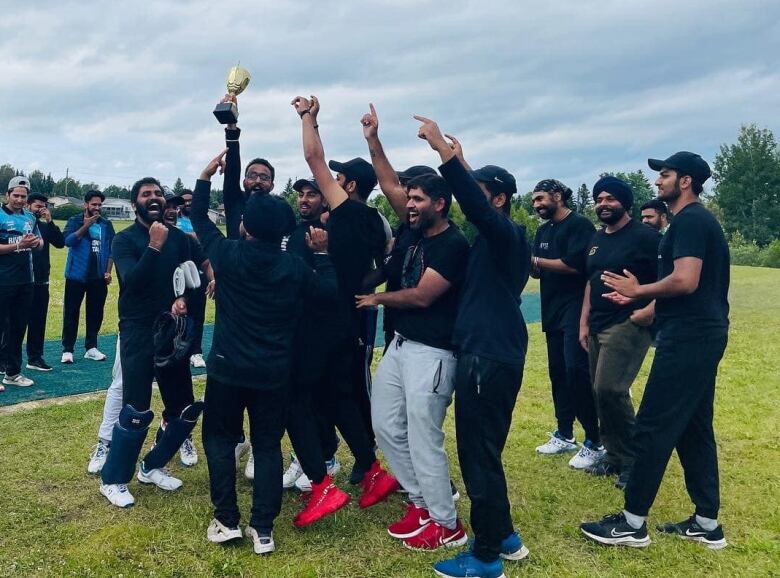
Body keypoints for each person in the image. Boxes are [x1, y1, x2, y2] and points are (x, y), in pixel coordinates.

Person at [193, 151, 343, 553]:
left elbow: (198, 219)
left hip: (227, 368)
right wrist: (325, 256)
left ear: (246, 227)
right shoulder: (293, 266)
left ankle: (227, 520)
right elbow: (328, 294)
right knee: (266, 445)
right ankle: (263, 529)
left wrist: (205, 178)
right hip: (273, 371)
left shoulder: (227, 255)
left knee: (221, 441)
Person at [581, 152, 730, 550]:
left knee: (653, 425)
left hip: (690, 338)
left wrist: (639, 292)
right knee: (694, 429)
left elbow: (686, 281)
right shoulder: (686, 222)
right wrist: (652, 308)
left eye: (664, 174)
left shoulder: (692, 221)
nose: (658, 180)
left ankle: (632, 523)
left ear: (685, 181)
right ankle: (706, 522)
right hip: (695, 333)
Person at [412, 116, 532, 578]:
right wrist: (458, 158)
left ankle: (485, 558)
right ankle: (504, 535)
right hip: (491, 353)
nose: (468, 203)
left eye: (478, 190)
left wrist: (443, 151)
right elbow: (476, 206)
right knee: (487, 450)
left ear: (497, 198)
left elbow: (475, 206)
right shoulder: (497, 237)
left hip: (486, 357)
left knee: (478, 456)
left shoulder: (503, 233)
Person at [292, 93, 398, 508]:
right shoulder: (375, 221)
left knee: (300, 395)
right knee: (339, 394)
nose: (327, 181)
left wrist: (308, 118)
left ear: (349, 186)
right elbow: (385, 263)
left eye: (337, 179)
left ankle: (318, 476)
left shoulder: (349, 214)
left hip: (325, 318)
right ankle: (371, 470)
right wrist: (364, 289)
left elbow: (314, 160)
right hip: (351, 317)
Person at [99, 177, 205, 508]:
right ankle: (113, 479)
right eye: (147, 194)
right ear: (136, 204)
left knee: (183, 408)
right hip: (138, 329)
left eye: (158, 193)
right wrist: (153, 246)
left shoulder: (179, 238)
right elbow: (132, 282)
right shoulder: (126, 239)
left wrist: (183, 300)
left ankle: (152, 465)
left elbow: (188, 278)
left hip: (171, 329)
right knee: (136, 408)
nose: (154, 197)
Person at [578, 177, 661, 490]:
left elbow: (668, 277)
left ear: (625, 202)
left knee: (611, 389)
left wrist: (650, 310)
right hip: (597, 323)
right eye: (599, 199)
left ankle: (635, 462)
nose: (603, 204)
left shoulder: (645, 237)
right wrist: (583, 322)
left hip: (629, 321)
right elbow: (591, 281)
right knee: (600, 393)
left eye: (610, 198)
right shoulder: (597, 238)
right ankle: (614, 456)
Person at [531, 180, 602, 468]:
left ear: (557, 196)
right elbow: (537, 270)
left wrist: (535, 259)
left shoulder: (580, 225)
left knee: (577, 371)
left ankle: (595, 440)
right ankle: (564, 433)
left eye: (540, 199)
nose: (536, 205)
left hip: (576, 309)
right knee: (557, 372)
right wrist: (531, 263)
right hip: (551, 309)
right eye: (534, 200)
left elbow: (574, 264)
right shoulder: (542, 230)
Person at [61, 190, 115, 363]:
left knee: (95, 312)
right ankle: (68, 349)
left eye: (99, 205)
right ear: (86, 205)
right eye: (94, 204)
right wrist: (85, 225)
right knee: (71, 312)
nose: (97, 208)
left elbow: (112, 250)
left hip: (98, 277)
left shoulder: (106, 224)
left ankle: (91, 347)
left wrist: (108, 271)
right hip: (76, 275)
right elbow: (67, 242)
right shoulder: (74, 221)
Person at [0, 176, 42, 389]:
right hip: (3, 281)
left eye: (23, 196)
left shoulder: (30, 217)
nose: (19, 199)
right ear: (7, 195)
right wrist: (18, 246)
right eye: (15, 195)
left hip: (26, 281)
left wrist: (36, 243)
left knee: (18, 328)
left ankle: (13, 373)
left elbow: (40, 242)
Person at [25, 193, 65, 372]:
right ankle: (5, 360)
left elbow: (60, 243)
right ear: (28, 206)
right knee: (13, 323)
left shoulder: (44, 226)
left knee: (38, 321)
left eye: (43, 207)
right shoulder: (20, 225)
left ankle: (35, 358)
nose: (40, 210)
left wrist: (50, 221)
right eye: (37, 207)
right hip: (21, 280)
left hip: (41, 281)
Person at [175, 189, 211, 369]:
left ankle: (196, 352)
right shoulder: (174, 219)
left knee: (198, 314)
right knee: (180, 314)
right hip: (178, 277)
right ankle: (179, 349)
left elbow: (208, 241)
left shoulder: (201, 221)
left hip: (200, 275)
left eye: (191, 200)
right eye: (184, 201)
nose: (188, 203)